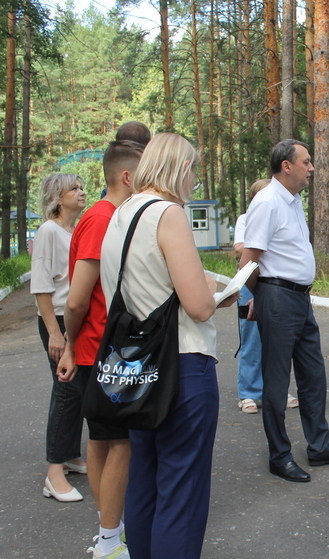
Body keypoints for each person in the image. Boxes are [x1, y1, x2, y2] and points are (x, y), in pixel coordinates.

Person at [100, 133, 237, 559]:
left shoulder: (120, 213)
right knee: (182, 491)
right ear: (178, 168)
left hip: (135, 370)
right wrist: (223, 292)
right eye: (193, 170)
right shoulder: (168, 213)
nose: (195, 180)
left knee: (145, 485)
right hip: (181, 365)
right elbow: (197, 306)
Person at [240, 139, 329, 483]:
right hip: (276, 297)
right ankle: (279, 456)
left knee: (313, 375)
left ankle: (319, 446)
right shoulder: (267, 202)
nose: (311, 168)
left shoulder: (292, 201)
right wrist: (257, 298)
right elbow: (250, 260)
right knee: (276, 383)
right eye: (306, 162)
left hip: (299, 299)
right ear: (286, 166)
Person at [56, 139, 145, 559]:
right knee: (118, 444)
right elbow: (77, 300)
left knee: (104, 441)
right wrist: (72, 347)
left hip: (103, 348)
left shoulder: (111, 216)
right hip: (99, 349)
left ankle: (111, 528)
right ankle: (111, 539)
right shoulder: (103, 219)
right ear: (127, 176)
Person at [30, 174, 87, 502]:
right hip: (58, 319)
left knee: (76, 391)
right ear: (57, 197)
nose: (81, 193)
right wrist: (54, 333)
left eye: (81, 188)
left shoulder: (73, 230)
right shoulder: (49, 231)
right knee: (67, 391)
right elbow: (41, 286)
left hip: (73, 319)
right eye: (74, 189)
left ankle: (68, 455)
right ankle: (53, 473)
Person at [234, 179, 298, 414]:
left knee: (278, 340)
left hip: (278, 285)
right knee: (251, 338)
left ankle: (278, 389)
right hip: (250, 281)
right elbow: (241, 248)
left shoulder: (284, 216)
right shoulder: (246, 219)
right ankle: (249, 392)